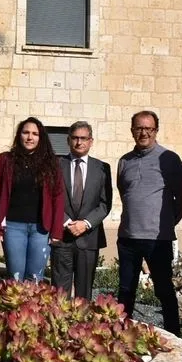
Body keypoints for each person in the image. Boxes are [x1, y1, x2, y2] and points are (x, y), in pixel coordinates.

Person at [116, 110, 182, 336]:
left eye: (149, 128)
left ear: (156, 130)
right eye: (139, 128)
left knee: (164, 291)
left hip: (158, 239)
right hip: (128, 238)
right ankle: (124, 339)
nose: (143, 132)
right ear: (132, 130)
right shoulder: (124, 161)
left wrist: (165, 222)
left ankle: (175, 337)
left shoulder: (169, 159)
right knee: (126, 291)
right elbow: (123, 191)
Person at [0, 117, 65, 283]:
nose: (30, 137)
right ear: (19, 135)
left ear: (41, 137)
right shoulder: (4, 160)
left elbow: (58, 197)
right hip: (13, 227)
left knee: (35, 278)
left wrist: (57, 230)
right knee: (15, 278)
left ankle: (31, 310)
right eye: (26, 132)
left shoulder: (51, 163)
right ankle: (13, 310)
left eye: (35, 134)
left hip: (41, 229)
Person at [51, 121, 113, 300]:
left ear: (91, 141)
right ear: (68, 140)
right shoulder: (56, 164)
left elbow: (104, 204)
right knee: (59, 294)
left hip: (89, 239)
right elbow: (51, 199)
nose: (79, 142)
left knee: (84, 294)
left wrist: (85, 224)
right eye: (75, 138)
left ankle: (80, 327)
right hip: (62, 237)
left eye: (83, 138)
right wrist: (67, 222)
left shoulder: (102, 168)